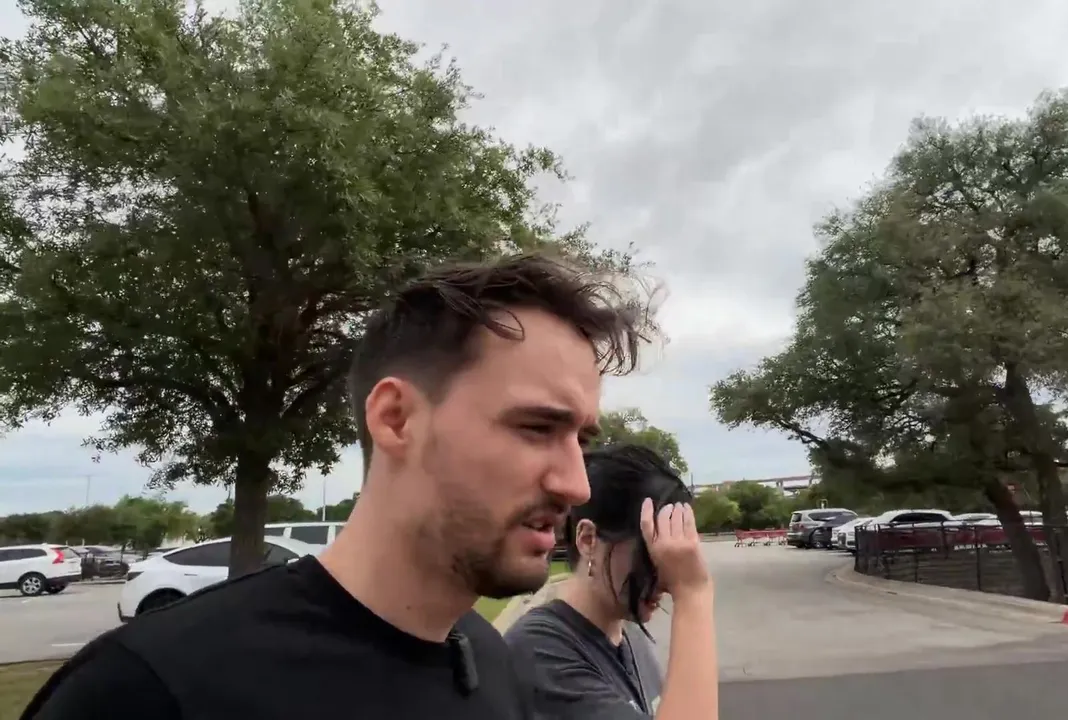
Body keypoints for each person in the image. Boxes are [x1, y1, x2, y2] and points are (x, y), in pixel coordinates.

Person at [22, 253, 649, 719]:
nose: (576, 484)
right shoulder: (150, 690)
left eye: (582, 439)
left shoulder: (490, 661)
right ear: (396, 420)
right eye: (537, 427)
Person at [505, 444, 718, 720]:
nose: (667, 579)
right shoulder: (540, 652)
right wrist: (693, 593)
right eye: (651, 555)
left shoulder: (627, 634)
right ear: (588, 540)